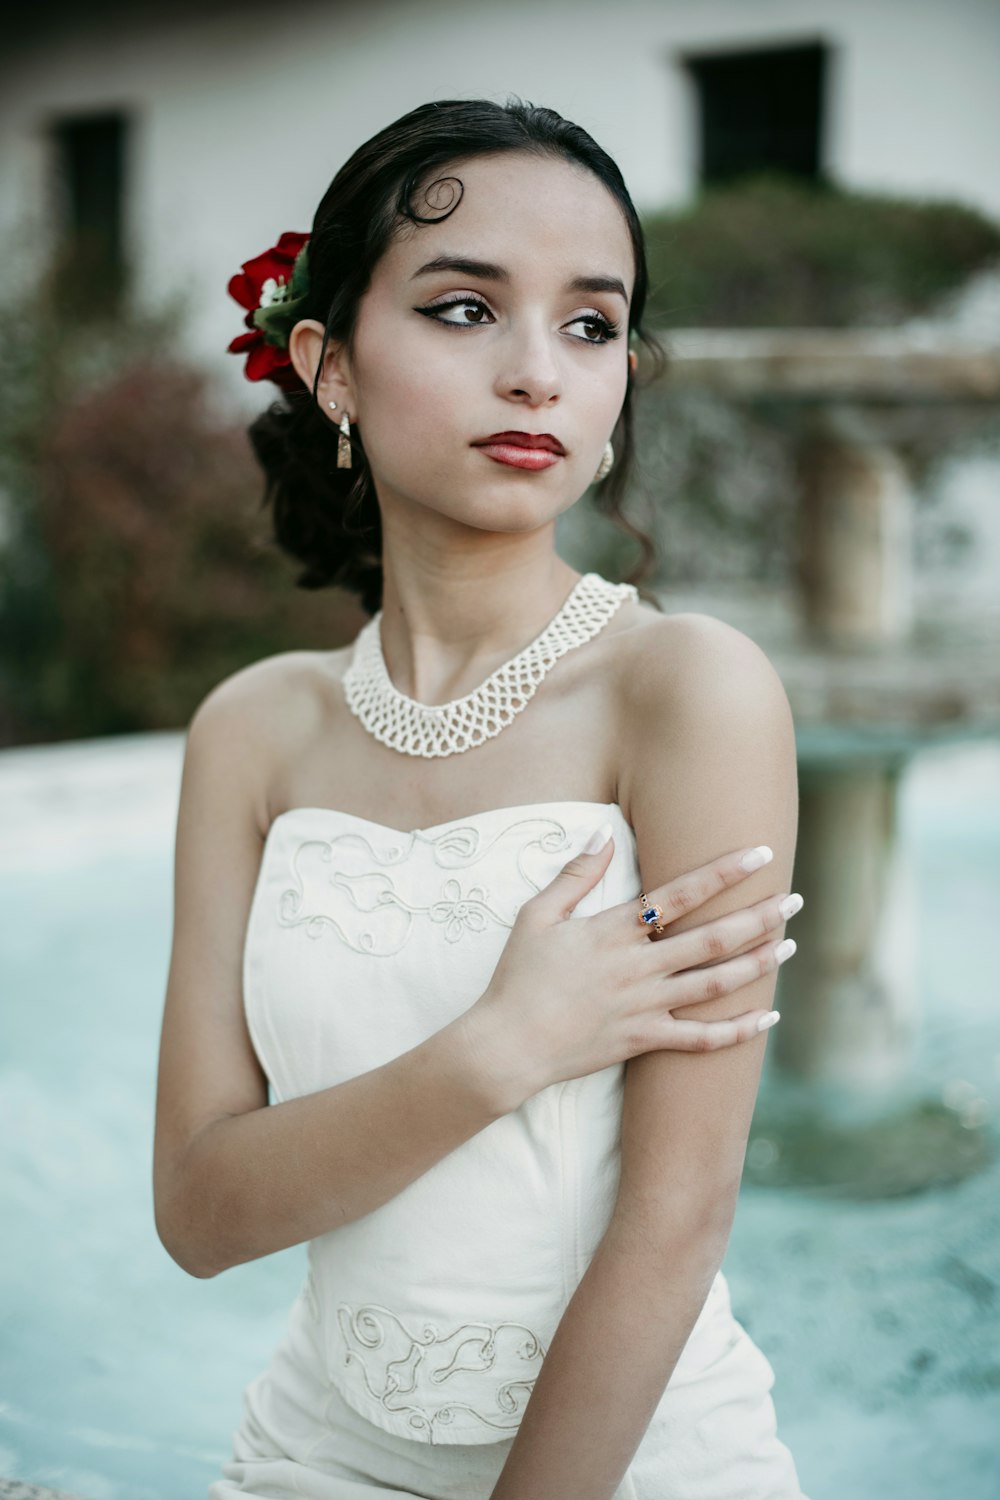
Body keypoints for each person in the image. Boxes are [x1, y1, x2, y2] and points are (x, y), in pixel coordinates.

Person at [153, 97, 808, 1500]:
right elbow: (202, 1215)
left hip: (635, 1464)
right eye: (464, 310)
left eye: (590, 325)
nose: (538, 374)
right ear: (328, 366)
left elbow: (679, 1219)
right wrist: (502, 1047)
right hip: (307, 1457)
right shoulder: (251, 733)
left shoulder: (690, 691)